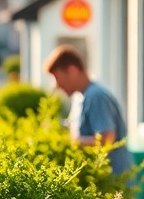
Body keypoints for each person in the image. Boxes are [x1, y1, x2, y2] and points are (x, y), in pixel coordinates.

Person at [44, 44, 131, 175]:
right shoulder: (79, 96)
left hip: (112, 183)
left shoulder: (96, 96)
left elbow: (106, 140)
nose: (56, 85)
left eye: (57, 77)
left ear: (72, 70)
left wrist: (71, 143)